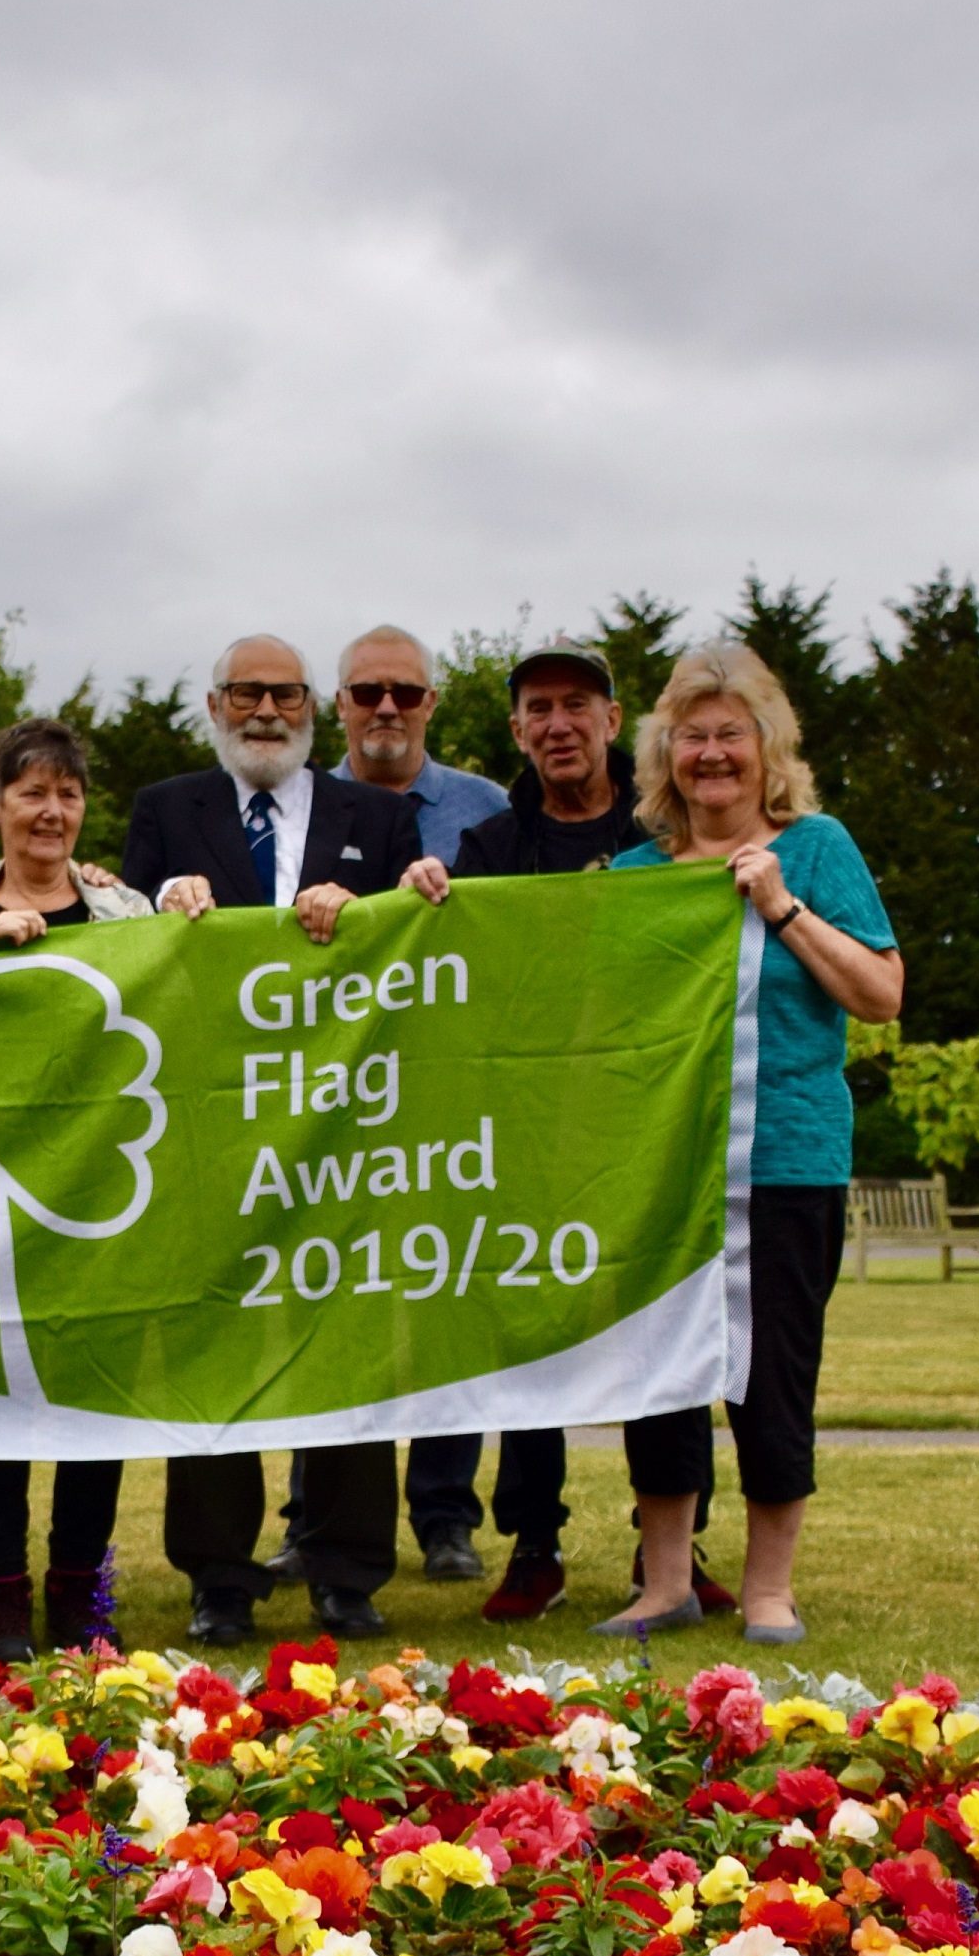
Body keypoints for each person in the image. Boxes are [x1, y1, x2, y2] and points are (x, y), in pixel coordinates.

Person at [124, 636, 438, 1644]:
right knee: (215, 1344)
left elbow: (421, 946)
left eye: (286, 693)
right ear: (214, 704)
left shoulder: (382, 818)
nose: (268, 709)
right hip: (209, 1136)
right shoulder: (166, 811)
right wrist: (161, 911)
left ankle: (346, 1573)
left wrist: (371, 907)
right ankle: (219, 1575)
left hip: (347, 1135)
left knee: (347, 1345)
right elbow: (119, 950)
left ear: (311, 707)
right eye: (248, 692)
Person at [592, 642, 905, 1650]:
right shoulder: (635, 877)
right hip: (663, 1167)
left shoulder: (817, 849)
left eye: (732, 734)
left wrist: (781, 907)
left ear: (767, 749)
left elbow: (881, 996)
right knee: (662, 1372)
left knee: (773, 1372)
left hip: (787, 1159)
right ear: (664, 755)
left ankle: (770, 1588)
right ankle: (667, 1583)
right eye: (693, 736)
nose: (712, 754)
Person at [414, 640, 649, 1617]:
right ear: (518, 731)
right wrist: (425, 903)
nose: (558, 724)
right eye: (538, 710)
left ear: (612, 719)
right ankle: (533, 1542)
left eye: (576, 706)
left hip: (643, 1114)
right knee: (526, 1336)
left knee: (658, 1330)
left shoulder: (663, 834)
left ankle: (671, 1546)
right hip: (525, 1126)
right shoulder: (492, 847)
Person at [0, 718, 151, 1664]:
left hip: (102, 1191)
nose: (50, 811)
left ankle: (79, 1593)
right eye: (31, 793)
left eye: (67, 793)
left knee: (91, 1400)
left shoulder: (125, 913)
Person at [333, 624, 512, 862]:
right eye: (367, 693)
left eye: (406, 694)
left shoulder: (491, 809)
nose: (387, 709)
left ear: (430, 704)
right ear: (341, 704)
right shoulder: (302, 810)